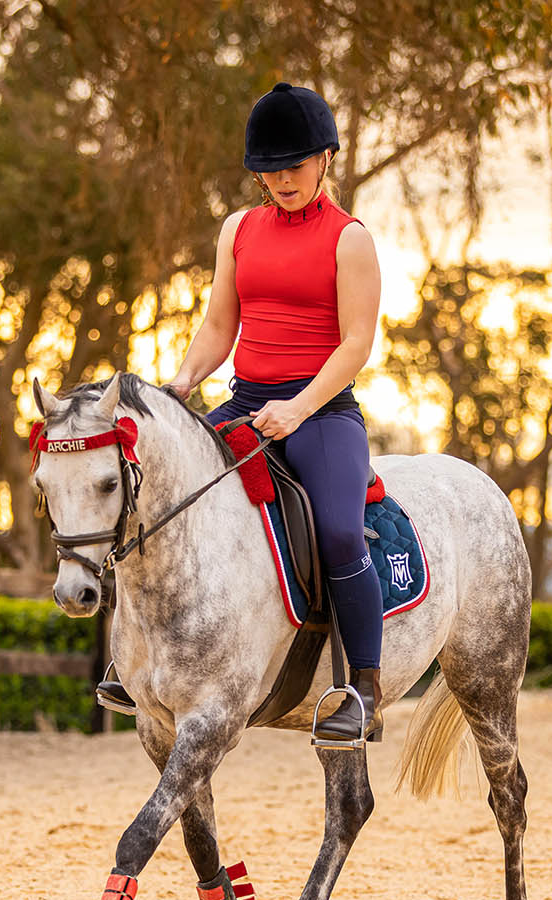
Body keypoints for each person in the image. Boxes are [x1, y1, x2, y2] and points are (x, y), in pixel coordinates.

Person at [102, 81, 385, 742]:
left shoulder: (351, 241)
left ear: (325, 159)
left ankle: (364, 687)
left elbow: (357, 343)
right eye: (270, 169)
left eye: (294, 166)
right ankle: (137, 662)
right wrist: (182, 382)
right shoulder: (239, 230)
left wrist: (300, 406)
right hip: (248, 401)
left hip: (322, 413)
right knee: (161, 497)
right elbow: (216, 325)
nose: (281, 180)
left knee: (342, 533)